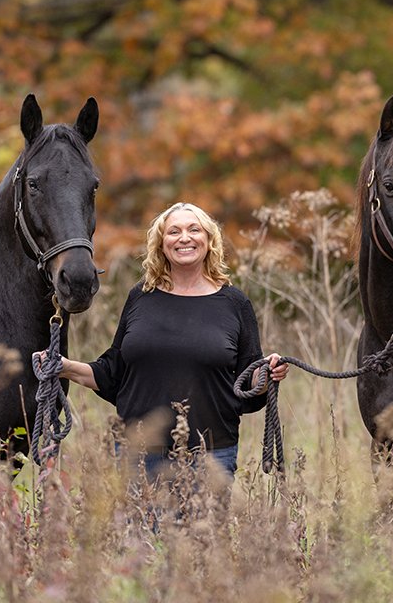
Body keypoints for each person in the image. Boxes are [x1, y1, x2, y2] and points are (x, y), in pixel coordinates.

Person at [55, 201, 288, 478]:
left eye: (194, 229)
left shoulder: (234, 303)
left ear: (209, 240)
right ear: (161, 243)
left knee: (204, 524)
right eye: (174, 231)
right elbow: (113, 374)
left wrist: (267, 373)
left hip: (210, 456)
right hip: (138, 455)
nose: (185, 238)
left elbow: (247, 384)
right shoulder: (140, 297)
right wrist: (63, 366)